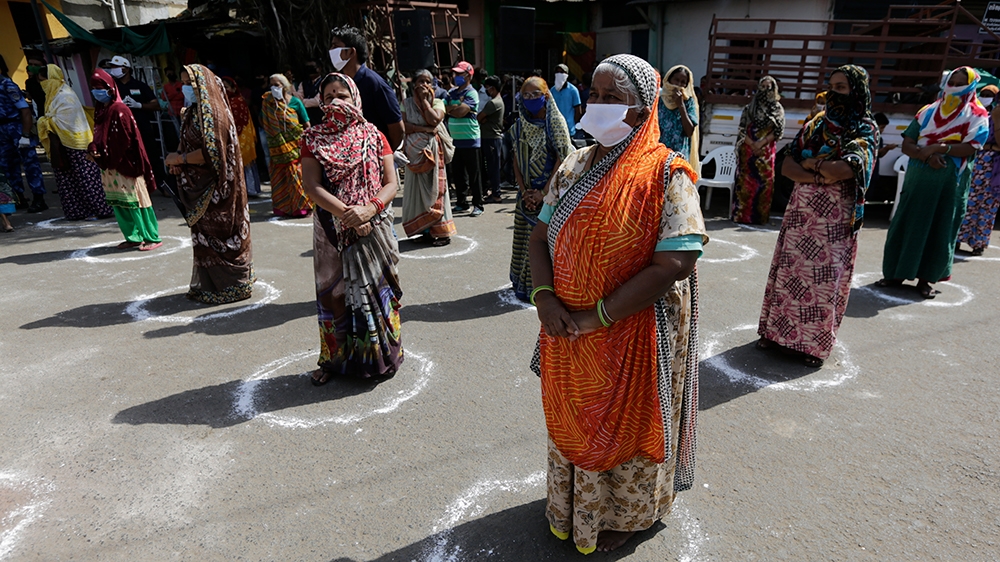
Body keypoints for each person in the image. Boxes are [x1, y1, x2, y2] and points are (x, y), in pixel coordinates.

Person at [528, 54, 706, 554]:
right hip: (565, 325)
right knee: (576, 413)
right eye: (595, 94)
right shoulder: (573, 164)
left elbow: (675, 261)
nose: (599, 105)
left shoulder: (667, 172)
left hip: (634, 327)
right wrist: (544, 299)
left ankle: (628, 514)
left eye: (614, 98)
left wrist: (600, 315)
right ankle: (572, 505)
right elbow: (540, 237)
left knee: (629, 422)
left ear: (643, 107)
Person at [758, 65, 878, 367]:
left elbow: (845, 169)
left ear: (857, 91)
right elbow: (786, 165)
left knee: (822, 281)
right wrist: (820, 173)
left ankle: (810, 347)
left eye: (842, 88)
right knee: (789, 274)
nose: (834, 94)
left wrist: (811, 164)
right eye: (832, 87)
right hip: (800, 216)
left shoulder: (865, 129)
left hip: (835, 222)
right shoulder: (816, 125)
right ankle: (775, 335)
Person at [300, 72, 403, 384]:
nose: (335, 102)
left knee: (378, 291)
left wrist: (369, 209)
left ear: (355, 98)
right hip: (332, 229)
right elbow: (311, 185)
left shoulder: (374, 135)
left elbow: (391, 182)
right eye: (328, 96)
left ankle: (383, 356)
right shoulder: (312, 139)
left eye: (342, 95)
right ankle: (334, 360)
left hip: (375, 224)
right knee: (335, 297)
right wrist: (347, 213)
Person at [879, 67, 990, 297]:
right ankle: (895, 274)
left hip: (950, 184)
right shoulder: (928, 111)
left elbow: (971, 146)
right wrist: (926, 155)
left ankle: (926, 280)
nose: (955, 86)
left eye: (961, 83)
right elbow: (909, 142)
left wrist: (941, 148)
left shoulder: (977, 115)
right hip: (918, 179)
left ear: (971, 87)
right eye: (953, 81)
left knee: (939, 226)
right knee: (907, 222)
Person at [164, 64, 255, 304]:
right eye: (183, 82)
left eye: (190, 83)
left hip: (216, 188)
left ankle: (232, 284)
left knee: (221, 235)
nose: (185, 88)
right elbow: (188, 142)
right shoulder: (193, 111)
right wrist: (179, 161)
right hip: (198, 184)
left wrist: (180, 159)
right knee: (204, 237)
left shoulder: (214, 113)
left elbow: (213, 153)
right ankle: (212, 284)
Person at [508, 77, 573, 302]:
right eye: (526, 95)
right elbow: (516, 159)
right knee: (524, 241)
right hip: (526, 195)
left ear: (546, 96)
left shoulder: (555, 123)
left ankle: (544, 290)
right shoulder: (518, 126)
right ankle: (523, 286)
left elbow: (563, 159)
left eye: (536, 94)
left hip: (551, 194)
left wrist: (543, 192)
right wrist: (524, 190)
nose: (531, 99)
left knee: (544, 243)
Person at [88, 68, 162, 251]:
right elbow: (98, 136)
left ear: (110, 88)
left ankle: (151, 237)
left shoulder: (120, 109)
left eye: (99, 87)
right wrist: (94, 149)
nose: (96, 91)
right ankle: (133, 236)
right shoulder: (101, 111)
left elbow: (126, 140)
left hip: (126, 164)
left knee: (137, 201)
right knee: (119, 202)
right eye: (93, 87)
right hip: (108, 165)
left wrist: (107, 156)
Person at [36, 64, 112, 221]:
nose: (44, 86)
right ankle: (76, 211)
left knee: (86, 176)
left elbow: (67, 120)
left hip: (77, 142)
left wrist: (45, 122)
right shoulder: (53, 96)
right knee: (66, 177)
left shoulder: (65, 96)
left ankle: (101, 208)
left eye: (45, 81)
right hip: (61, 143)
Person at [401, 69, 456, 246]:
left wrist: (424, 101)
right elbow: (404, 127)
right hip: (414, 152)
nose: (424, 85)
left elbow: (434, 120)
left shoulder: (438, 102)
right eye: (421, 82)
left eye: (428, 82)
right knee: (417, 191)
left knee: (435, 191)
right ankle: (425, 230)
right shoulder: (406, 103)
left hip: (432, 152)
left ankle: (442, 233)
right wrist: (423, 130)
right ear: (414, 84)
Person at [329, 26, 405, 150]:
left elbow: (397, 128)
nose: (331, 50)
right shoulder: (341, 82)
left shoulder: (374, 84)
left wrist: (384, 154)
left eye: (335, 46)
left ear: (351, 52)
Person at [731, 76, 785, 224]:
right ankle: (741, 216)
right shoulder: (750, 107)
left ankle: (759, 218)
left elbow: (778, 131)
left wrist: (761, 143)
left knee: (764, 184)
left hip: (766, 152)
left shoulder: (777, 109)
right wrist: (752, 143)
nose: (765, 90)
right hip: (748, 150)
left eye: (769, 87)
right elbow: (741, 129)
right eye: (762, 86)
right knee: (745, 183)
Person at [957, 86, 1000, 256]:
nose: (987, 98)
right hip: (979, 165)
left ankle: (979, 243)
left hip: (995, 170)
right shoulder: (982, 116)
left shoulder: (995, 118)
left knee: (987, 207)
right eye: (984, 95)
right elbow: (974, 141)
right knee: (969, 201)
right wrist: (990, 146)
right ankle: (958, 239)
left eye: (991, 95)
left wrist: (997, 121)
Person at [261, 72, 312, 217]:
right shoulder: (268, 103)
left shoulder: (295, 102)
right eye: (271, 85)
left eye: (276, 85)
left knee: (297, 177)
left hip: (295, 147)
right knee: (280, 179)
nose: (273, 88)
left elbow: (306, 123)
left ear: (284, 86)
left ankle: (302, 208)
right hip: (277, 150)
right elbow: (263, 121)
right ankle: (283, 208)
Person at [0, 54, 46, 212]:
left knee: (30, 164)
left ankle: (39, 198)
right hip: (2, 130)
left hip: (16, 126)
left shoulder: (7, 85)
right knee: (7, 165)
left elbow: (25, 110)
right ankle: (19, 197)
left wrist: (25, 135)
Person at [107, 56, 164, 182]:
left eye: (115, 67)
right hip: (122, 129)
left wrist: (139, 105)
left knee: (151, 155)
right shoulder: (112, 88)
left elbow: (156, 105)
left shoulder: (140, 86)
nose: (112, 70)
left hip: (142, 127)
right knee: (128, 158)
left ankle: (161, 184)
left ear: (126, 69)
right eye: (111, 67)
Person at [447, 61, 485, 217]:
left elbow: (460, 112)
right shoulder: (452, 92)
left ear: (468, 76)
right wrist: (454, 108)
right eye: (455, 73)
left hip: (470, 139)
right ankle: (461, 202)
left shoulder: (472, 93)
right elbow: (444, 109)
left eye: (459, 74)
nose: (456, 76)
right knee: (458, 174)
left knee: (474, 174)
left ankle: (478, 204)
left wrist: (452, 109)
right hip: (454, 140)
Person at [222, 76, 262, 197]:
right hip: (231, 137)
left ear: (234, 88)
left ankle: (251, 189)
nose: (225, 90)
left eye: (227, 87)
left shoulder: (238, 101)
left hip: (243, 136)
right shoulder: (223, 103)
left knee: (246, 163)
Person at [658, 65, 700, 170]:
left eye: (683, 82)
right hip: (657, 156)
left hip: (678, 157)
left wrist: (681, 105)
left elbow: (689, 131)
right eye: (676, 80)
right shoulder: (659, 100)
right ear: (668, 80)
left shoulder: (688, 102)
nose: (678, 85)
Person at [478, 75, 505, 203]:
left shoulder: (493, 103)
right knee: (492, 166)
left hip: (491, 138)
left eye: (488, 88)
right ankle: (494, 191)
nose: (487, 90)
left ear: (492, 88)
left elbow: (479, 117)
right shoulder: (498, 101)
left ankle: (496, 194)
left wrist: (484, 119)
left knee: (493, 167)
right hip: (491, 138)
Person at [550, 64, 582, 137]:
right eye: (557, 72)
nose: (559, 74)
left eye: (562, 72)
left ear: (567, 75)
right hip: (555, 128)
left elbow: (578, 110)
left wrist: (572, 123)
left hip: (569, 129)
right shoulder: (552, 90)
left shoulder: (573, 90)